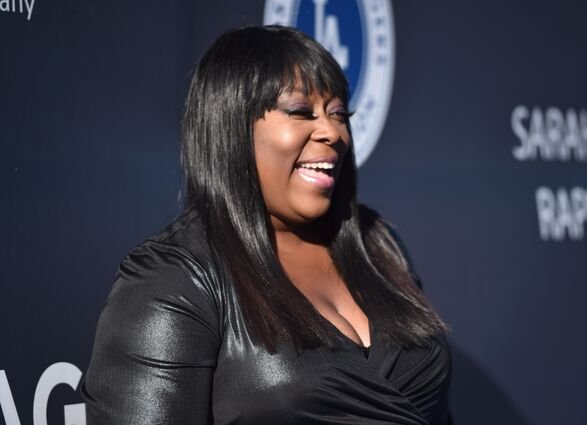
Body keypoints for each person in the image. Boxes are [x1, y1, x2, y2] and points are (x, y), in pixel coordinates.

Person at [82, 25, 452, 425]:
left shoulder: (378, 245)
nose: (332, 132)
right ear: (233, 127)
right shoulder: (175, 278)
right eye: (300, 111)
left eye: (339, 113)